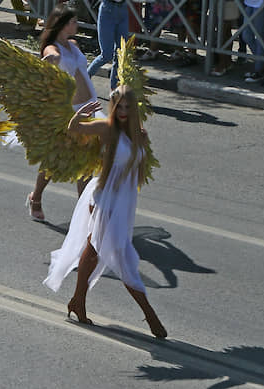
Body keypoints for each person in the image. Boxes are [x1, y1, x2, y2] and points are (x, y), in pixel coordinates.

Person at [43, 86, 167, 339]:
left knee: (93, 251)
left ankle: (78, 300)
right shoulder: (106, 128)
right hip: (104, 199)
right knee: (121, 255)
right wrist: (80, 116)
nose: (122, 111)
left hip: (123, 201)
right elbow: (73, 130)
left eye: (127, 107)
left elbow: (136, 170)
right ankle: (150, 315)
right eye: (118, 106)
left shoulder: (139, 135)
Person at [27, 4, 99, 221]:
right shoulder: (52, 49)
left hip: (88, 109)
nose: (77, 25)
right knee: (54, 160)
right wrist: (50, 61)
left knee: (86, 161)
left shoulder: (74, 44)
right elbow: (50, 59)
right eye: (73, 22)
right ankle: (36, 197)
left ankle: (84, 212)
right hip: (68, 114)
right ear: (62, 24)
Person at [87, 0, 130, 91]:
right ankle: (86, 76)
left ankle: (114, 90)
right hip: (107, 9)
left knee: (121, 54)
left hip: (123, 8)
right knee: (106, 55)